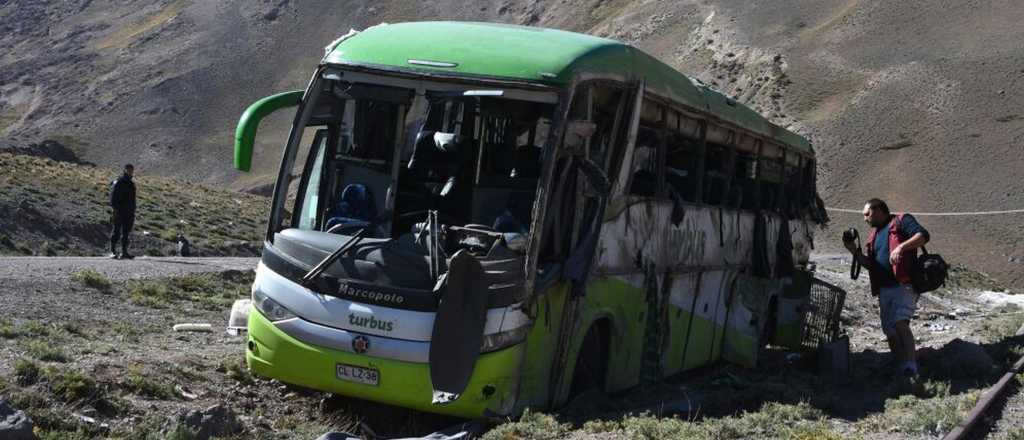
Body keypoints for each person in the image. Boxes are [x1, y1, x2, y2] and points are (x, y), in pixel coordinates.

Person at [844, 198, 930, 378]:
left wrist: (901, 247)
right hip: (884, 288)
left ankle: (911, 366)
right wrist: (854, 251)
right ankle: (900, 365)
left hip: (903, 284)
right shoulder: (874, 236)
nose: (865, 219)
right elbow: (871, 265)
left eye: (867, 214)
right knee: (889, 330)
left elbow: (923, 235)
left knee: (900, 322)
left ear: (879, 210)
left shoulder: (901, 221)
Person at [109, 164, 137, 259]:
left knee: (126, 232)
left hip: (129, 212)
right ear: (125, 170)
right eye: (128, 170)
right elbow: (113, 197)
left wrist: (133, 210)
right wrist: (115, 210)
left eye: (131, 170)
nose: (130, 172)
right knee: (116, 231)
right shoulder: (119, 182)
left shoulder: (131, 183)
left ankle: (124, 252)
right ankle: (112, 251)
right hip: (119, 211)